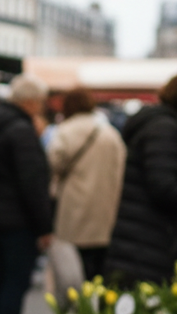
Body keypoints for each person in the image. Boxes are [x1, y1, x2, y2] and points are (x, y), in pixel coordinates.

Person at [0, 74, 53, 314]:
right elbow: (32, 183)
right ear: (31, 102)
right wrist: (44, 227)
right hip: (18, 220)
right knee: (15, 282)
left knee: (2, 279)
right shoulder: (21, 130)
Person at [106, 68, 177, 285]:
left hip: (143, 242)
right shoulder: (164, 129)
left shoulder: (163, 125)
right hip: (147, 246)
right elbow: (163, 187)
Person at [47, 88, 126, 281]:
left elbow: (52, 164)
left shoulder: (65, 131)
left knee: (74, 268)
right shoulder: (110, 133)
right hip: (106, 208)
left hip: (75, 208)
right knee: (100, 266)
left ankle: (80, 306)